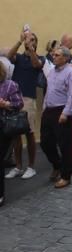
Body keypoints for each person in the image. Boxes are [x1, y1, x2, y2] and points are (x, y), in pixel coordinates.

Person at [6, 30, 45, 180]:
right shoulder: (19, 58)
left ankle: (31, 166)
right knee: (15, 134)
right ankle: (17, 166)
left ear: (36, 42)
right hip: (15, 99)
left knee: (29, 133)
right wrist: (20, 41)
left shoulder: (38, 58)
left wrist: (31, 49)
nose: (31, 41)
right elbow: (8, 57)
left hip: (29, 100)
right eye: (30, 39)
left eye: (34, 39)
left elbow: (37, 65)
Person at [40, 47, 72, 189]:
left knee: (65, 145)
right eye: (53, 54)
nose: (53, 57)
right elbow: (48, 90)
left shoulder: (71, 73)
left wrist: (65, 113)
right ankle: (57, 165)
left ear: (65, 58)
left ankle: (66, 175)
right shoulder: (51, 72)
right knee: (45, 142)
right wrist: (44, 106)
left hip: (62, 111)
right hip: (49, 110)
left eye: (57, 55)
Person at [0, 63, 24, 207]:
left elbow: (18, 104)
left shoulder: (10, 85)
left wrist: (5, 104)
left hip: (3, 126)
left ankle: (0, 194)